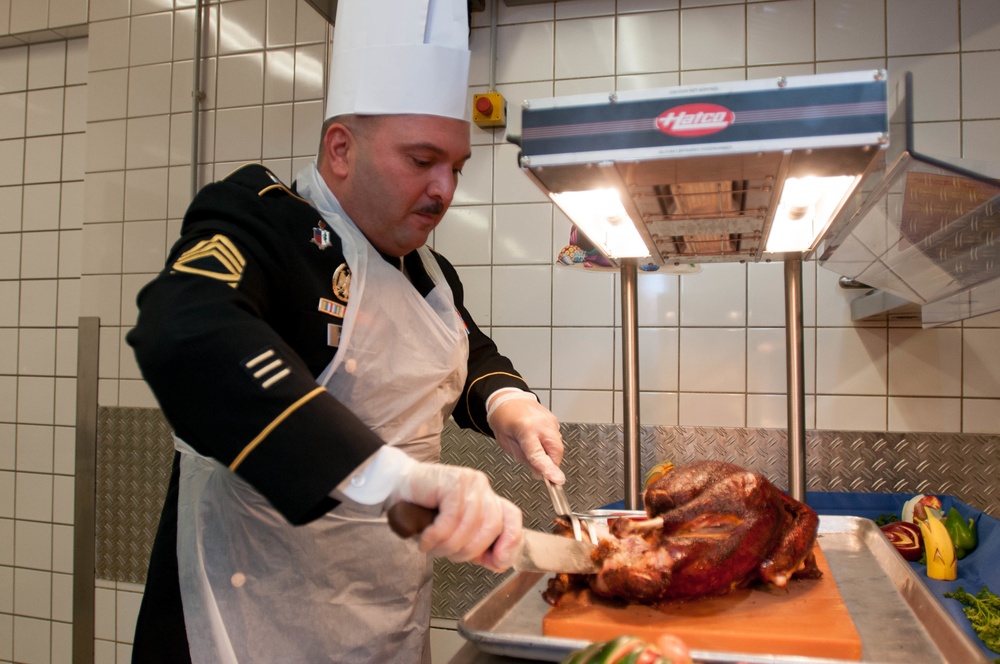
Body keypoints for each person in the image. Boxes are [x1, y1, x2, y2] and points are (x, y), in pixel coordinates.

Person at [125, 0, 565, 661]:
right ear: (340, 149)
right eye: (422, 161)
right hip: (249, 617)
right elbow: (187, 331)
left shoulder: (428, 270)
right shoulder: (262, 223)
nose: (445, 190)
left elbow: (464, 347)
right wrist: (389, 478)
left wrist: (509, 405)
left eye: (457, 167)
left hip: (381, 618)